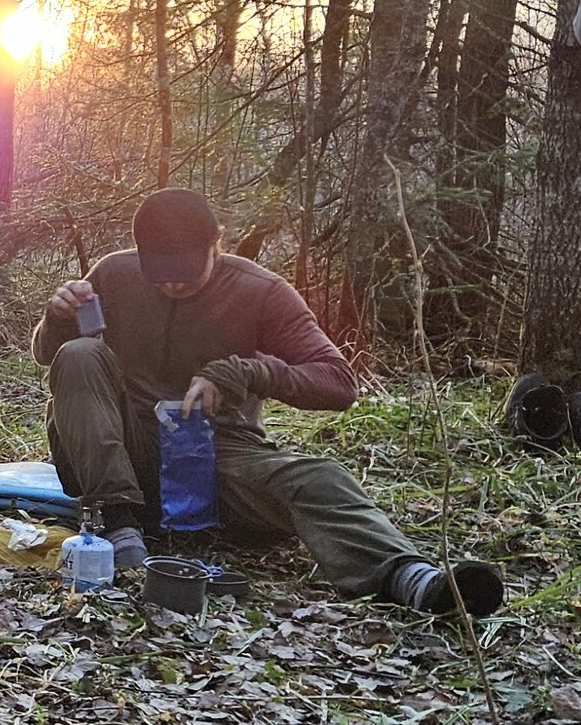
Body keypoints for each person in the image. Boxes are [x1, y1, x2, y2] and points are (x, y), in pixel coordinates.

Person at [31, 187, 504, 615]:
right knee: (79, 353)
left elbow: (338, 384)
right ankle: (116, 521)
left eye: (186, 275)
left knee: (321, 477)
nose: (173, 286)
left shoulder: (260, 291)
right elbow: (48, 356)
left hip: (218, 457)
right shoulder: (115, 272)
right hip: (120, 454)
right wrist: (57, 319)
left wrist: (244, 371)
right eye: (161, 275)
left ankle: (410, 579)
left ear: (217, 240)